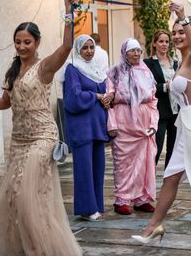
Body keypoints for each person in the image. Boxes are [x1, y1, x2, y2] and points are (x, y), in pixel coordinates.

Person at [0, 0, 82, 256]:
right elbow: (6, 102)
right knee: (21, 196)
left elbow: (67, 46)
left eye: (27, 42)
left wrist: (68, 12)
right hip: (18, 139)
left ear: (37, 43)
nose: (21, 46)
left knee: (25, 190)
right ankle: (37, 244)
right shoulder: (14, 70)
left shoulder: (45, 68)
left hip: (43, 136)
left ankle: (34, 253)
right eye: (18, 42)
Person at [132, 4, 191, 253]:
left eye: (181, 32)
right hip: (187, 124)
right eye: (174, 33)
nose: (176, 36)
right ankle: (153, 227)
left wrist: (183, 17)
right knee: (170, 177)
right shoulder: (180, 61)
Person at [60, 34, 111, 222]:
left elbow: (105, 90)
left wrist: (107, 97)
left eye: (92, 47)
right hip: (82, 127)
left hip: (97, 125)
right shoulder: (72, 69)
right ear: (78, 50)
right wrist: (97, 97)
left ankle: (96, 205)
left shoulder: (96, 69)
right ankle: (86, 209)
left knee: (98, 167)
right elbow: (73, 98)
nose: (89, 51)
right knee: (84, 169)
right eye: (85, 48)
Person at [106, 38, 158, 215]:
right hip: (124, 123)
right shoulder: (115, 72)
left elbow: (153, 100)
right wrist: (111, 124)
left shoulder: (146, 71)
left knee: (144, 162)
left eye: (138, 51)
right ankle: (122, 199)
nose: (136, 54)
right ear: (124, 53)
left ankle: (141, 199)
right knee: (123, 162)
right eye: (132, 51)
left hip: (143, 125)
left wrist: (153, 123)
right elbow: (108, 100)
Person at [144, 30, 179, 168]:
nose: (164, 44)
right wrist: (165, 87)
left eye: (166, 41)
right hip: (159, 111)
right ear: (154, 43)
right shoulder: (148, 64)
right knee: (156, 148)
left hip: (176, 110)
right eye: (161, 41)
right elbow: (146, 88)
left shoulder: (176, 63)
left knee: (173, 149)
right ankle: (148, 180)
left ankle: (168, 182)